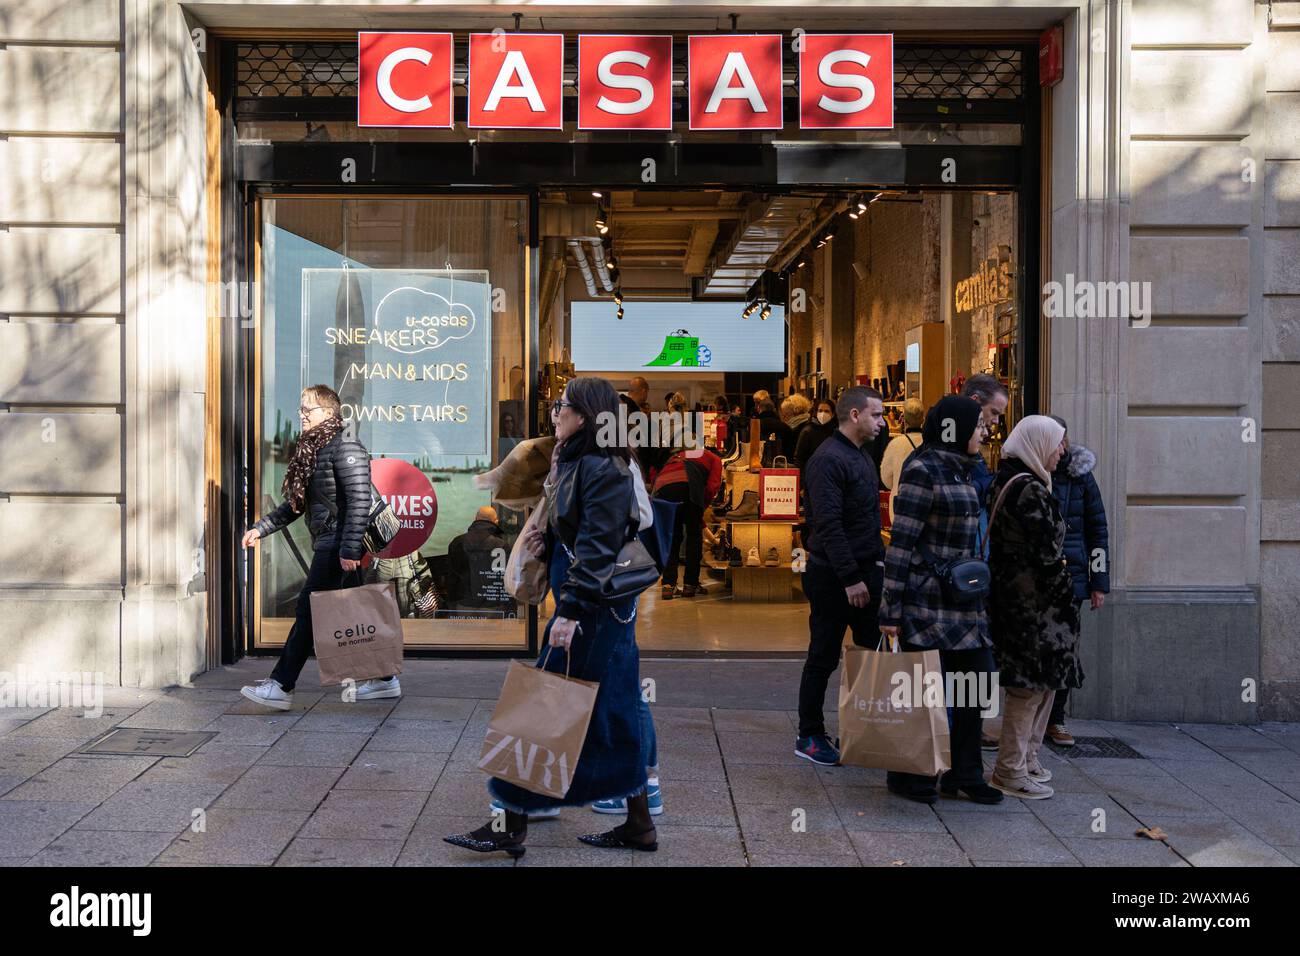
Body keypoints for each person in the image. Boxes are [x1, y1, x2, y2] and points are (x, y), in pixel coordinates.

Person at [446, 377, 659, 856]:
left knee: (539, 707)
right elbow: (585, 530)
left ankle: (510, 822)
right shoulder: (581, 460)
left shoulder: (602, 466)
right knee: (616, 708)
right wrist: (552, 539)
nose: (555, 413)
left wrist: (570, 613)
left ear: (584, 415)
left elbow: (600, 546)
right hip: (600, 610)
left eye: (562, 406)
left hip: (590, 611)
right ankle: (640, 824)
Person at [240, 385, 399, 708]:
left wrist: (349, 550)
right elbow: (296, 505)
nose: (301, 414)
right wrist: (261, 528)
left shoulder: (346, 445)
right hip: (334, 543)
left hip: (338, 544)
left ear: (328, 413)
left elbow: (359, 499)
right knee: (356, 610)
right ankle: (385, 681)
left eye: (307, 409)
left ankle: (281, 685)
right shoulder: (314, 449)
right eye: (300, 409)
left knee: (308, 610)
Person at [879, 397, 1001, 805]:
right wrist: (890, 610)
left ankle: (964, 772)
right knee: (922, 692)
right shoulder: (922, 469)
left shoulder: (966, 468)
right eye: (978, 425)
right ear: (954, 428)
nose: (984, 431)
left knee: (975, 683)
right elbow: (901, 543)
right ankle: (909, 775)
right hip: (927, 600)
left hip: (964, 600)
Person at [986, 415, 1079, 800]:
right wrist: (1062, 579)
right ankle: (1010, 769)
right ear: (1038, 444)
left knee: (1041, 683)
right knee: (1028, 686)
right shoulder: (1028, 489)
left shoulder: (1020, 480)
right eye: (1057, 444)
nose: (1062, 452)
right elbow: (1045, 552)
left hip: (1030, 601)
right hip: (1030, 604)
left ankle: (1026, 759)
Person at [795, 387, 886, 765]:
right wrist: (850, 577)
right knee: (823, 655)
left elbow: (863, 519)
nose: (882, 422)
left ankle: (863, 728)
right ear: (854, 415)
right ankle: (809, 734)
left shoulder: (861, 454)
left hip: (864, 570)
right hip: (834, 577)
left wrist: (876, 565)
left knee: (872, 654)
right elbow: (828, 525)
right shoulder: (828, 459)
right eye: (876, 415)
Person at [1044, 414, 1110, 747]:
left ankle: (1056, 719)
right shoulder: (1030, 474)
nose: (1060, 446)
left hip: (1072, 576)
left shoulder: (1080, 476)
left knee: (1065, 648)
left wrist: (1099, 582)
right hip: (1036, 578)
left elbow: (1098, 530)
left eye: (1062, 439)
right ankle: (1034, 718)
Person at [651, 434, 722, 600]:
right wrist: (700, 508)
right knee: (694, 536)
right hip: (689, 486)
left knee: (672, 537)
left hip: (663, 489)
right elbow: (712, 487)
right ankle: (690, 585)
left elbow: (655, 475)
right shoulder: (712, 458)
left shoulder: (673, 457)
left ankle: (668, 585)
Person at [445, 506, 511, 611]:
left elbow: (451, 578)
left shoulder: (457, 543)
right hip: (493, 605)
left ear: (475, 519)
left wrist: (451, 604)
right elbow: (507, 578)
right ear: (496, 522)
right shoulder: (502, 545)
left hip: (464, 604)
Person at [879, 398, 926, 520]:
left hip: (899, 504)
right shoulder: (930, 443)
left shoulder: (895, 444)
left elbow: (886, 478)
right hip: (925, 503)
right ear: (923, 419)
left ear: (904, 419)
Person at [794, 397, 837, 475]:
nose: (823, 414)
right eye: (820, 411)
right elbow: (799, 459)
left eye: (826, 411)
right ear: (816, 412)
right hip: (812, 475)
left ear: (833, 414)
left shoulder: (836, 432)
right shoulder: (808, 431)